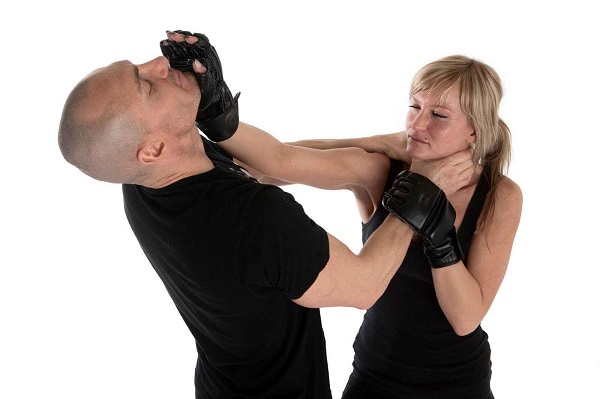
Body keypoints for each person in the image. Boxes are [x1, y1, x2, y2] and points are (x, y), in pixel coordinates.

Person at [57, 30, 473, 399]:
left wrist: (217, 110)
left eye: (138, 66)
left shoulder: (144, 182)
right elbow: (364, 286)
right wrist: (419, 193)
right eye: (145, 85)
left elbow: (271, 162)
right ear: (152, 151)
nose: (160, 64)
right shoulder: (254, 219)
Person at [218, 54, 522, 397]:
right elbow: (272, 166)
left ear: (474, 131)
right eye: (414, 106)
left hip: (459, 384)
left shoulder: (499, 196)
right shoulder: (381, 171)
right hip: (375, 376)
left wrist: (439, 234)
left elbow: (465, 318)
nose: (417, 125)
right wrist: (376, 141)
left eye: (438, 115)